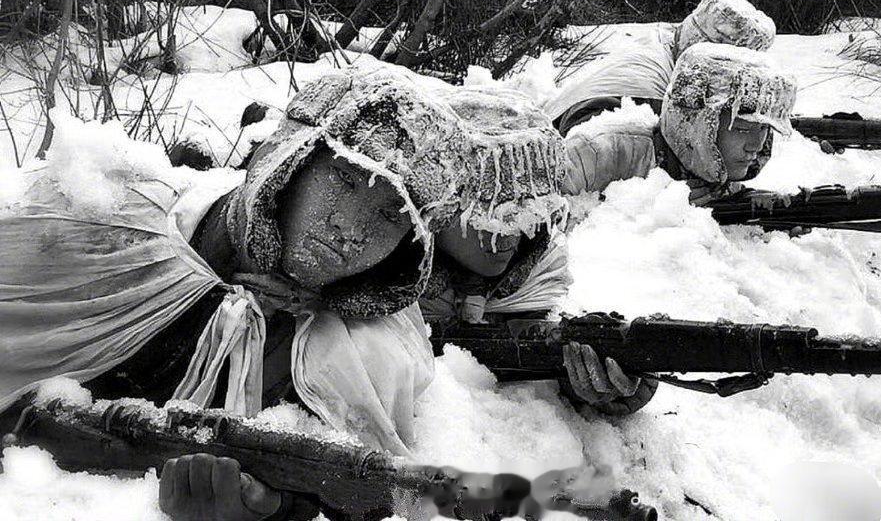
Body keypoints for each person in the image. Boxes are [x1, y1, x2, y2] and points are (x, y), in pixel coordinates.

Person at [0, 65, 480, 520]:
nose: (349, 228)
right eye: (345, 180)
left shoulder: (369, 355)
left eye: (389, 217)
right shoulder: (100, 227)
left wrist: (269, 508)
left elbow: (333, 485)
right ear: (288, 162)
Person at [417, 84, 660, 416]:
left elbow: (550, 351)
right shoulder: (382, 276)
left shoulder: (541, 276)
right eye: (490, 209)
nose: (514, 228)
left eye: (529, 208)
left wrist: (599, 383)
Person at [562, 42, 798, 206]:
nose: (756, 146)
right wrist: (645, 207)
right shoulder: (596, 152)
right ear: (696, 123)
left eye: (764, 128)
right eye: (742, 128)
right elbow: (535, 229)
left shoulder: (717, 176)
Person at [544, 0, 777, 136]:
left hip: (557, 117)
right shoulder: (650, 95)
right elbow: (590, 142)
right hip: (570, 130)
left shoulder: (665, 42)